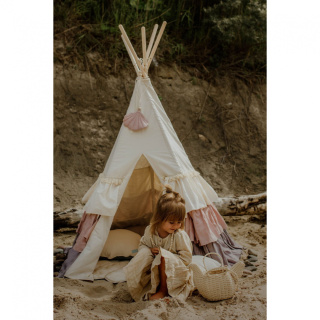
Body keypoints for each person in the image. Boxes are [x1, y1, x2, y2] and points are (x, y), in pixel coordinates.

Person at [124, 185, 194, 301]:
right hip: (155, 270)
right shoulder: (151, 231)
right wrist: (150, 251)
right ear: (160, 218)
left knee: (163, 257)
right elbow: (142, 245)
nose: (176, 226)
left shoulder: (178, 235)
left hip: (174, 272)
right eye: (172, 222)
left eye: (179, 222)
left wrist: (165, 256)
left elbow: (186, 258)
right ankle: (140, 286)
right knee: (144, 254)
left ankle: (163, 291)